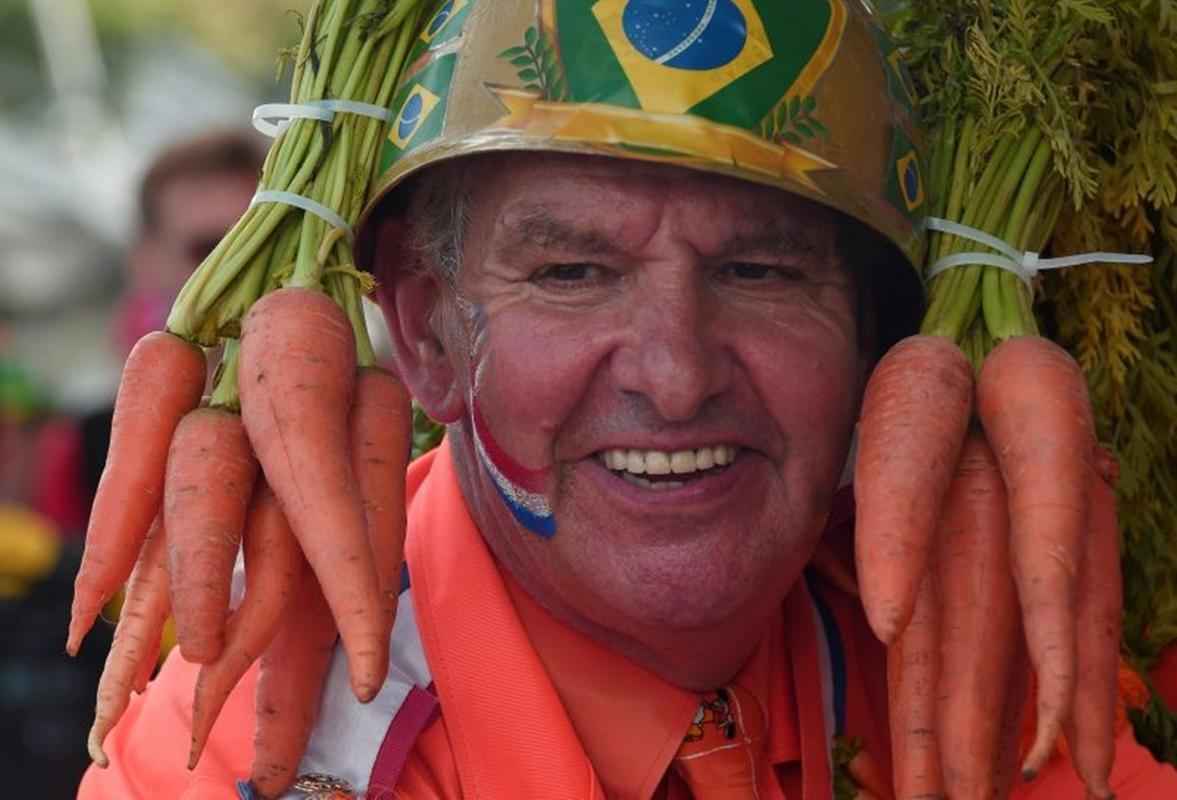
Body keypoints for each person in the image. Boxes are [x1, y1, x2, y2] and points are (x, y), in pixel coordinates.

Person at [76, 2, 1177, 798]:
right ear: (426, 333)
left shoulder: (998, 683)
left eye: (761, 272)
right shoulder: (231, 760)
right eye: (571, 273)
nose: (676, 370)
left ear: (870, 343)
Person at [78, 129, 265, 503]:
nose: (239, 270)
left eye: (260, 244)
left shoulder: (368, 415)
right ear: (144, 264)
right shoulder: (82, 449)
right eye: (207, 248)